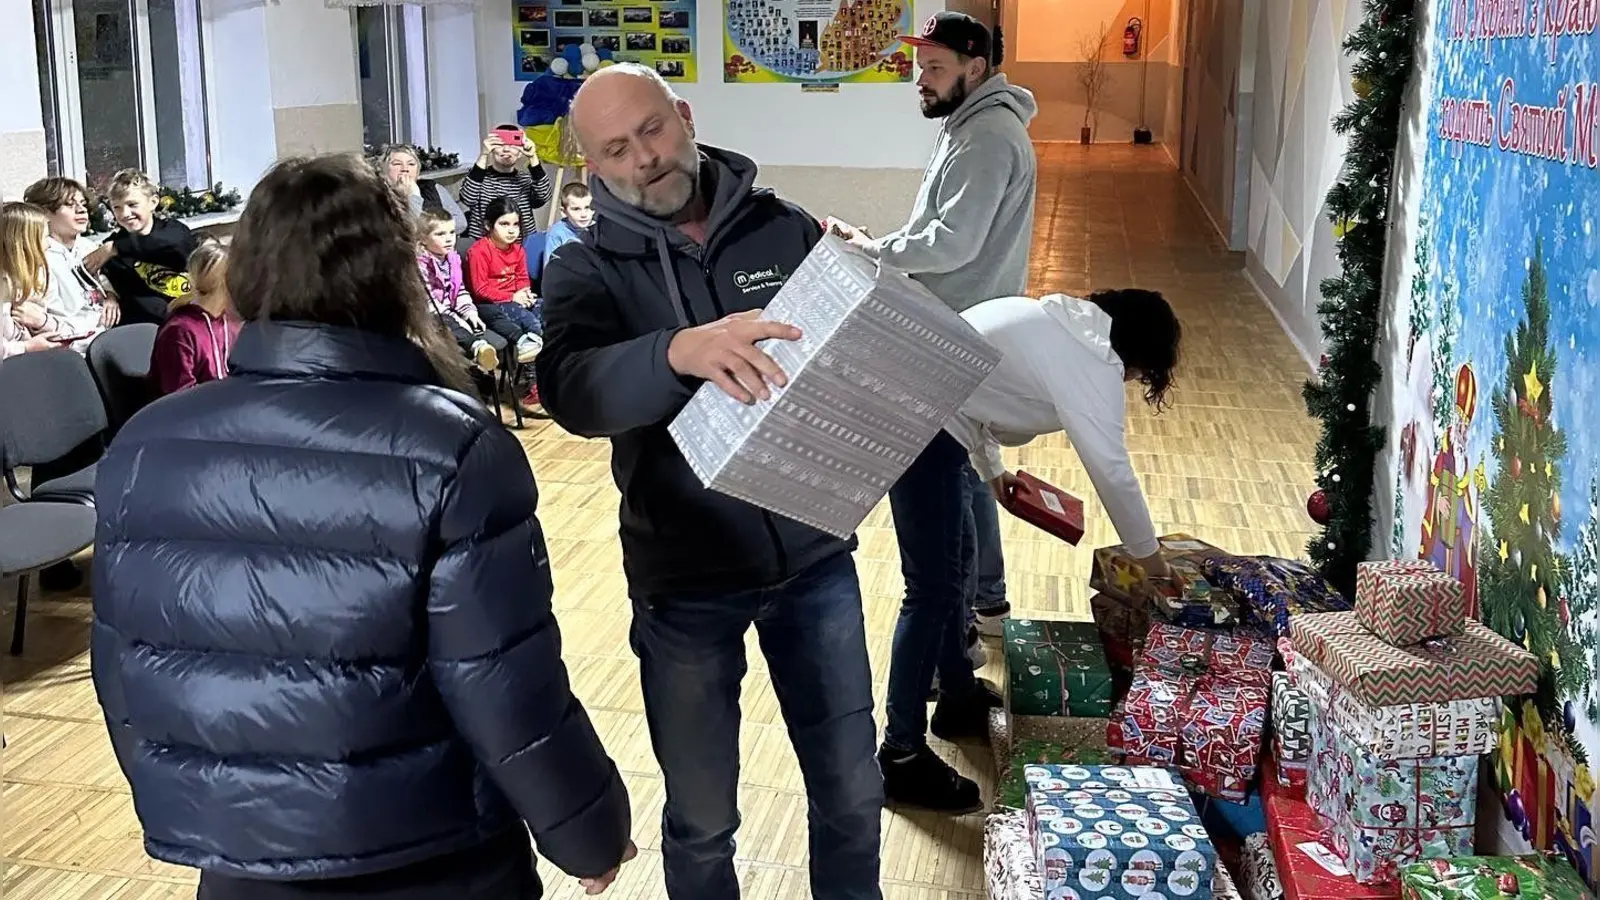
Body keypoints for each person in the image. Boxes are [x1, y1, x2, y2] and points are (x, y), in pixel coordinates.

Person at [91, 153, 635, 900]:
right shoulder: (456, 447)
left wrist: (206, 811)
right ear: (395, 270)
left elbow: (122, 670)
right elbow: (504, 682)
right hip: (435, 856)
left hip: (243, 859)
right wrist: (587, 828)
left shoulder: (144, 445)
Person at [536, 63, 883, 900]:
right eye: (614, 151)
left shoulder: (782, 227)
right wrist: (674, 353)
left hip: (815, 560)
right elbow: (572, 391)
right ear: (592, 167)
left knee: (851, 791)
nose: (642, 160)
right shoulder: (586, 269)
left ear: (684, 116)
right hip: (685, 583)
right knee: (702, 819)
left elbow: (844, 360)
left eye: (652, 130)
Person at [830, 12, 1041, 813]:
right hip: (933, 355)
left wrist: (869, 253)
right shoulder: (972, 125)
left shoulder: (987, 138)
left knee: (930, 581)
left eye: (935, 65)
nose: (920, 78)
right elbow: (937, 234)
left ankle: (902, 748)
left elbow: (950, 247)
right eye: (919, 65)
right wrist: (879, 243)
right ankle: (947, 698)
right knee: (944, 562)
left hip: (937, 363)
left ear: (979, 63)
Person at [946, 290, 1183, 586]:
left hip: (936, 414)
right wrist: (1154, 564)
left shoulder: (1054, 320)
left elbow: (983, 396)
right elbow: (1113, 475)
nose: (1132, 378)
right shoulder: (1094, 365)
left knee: (953, 568)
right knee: (940, 582)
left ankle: (966, 626)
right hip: (930, 428)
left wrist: (992, 469)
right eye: (1140, 374)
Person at [84, 169, 201, 326]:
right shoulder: (110, 247)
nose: (125, 213)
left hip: (188, 319)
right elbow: (102, 275)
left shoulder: (174, 231)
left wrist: (117, 247)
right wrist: (109, 294)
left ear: (153, 202)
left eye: (132, 204)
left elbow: (173, 243)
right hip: (143, 327)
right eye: (117, 207)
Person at [23, 177, 121, 335]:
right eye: (69, 204)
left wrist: (110, 295)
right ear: (44, 212)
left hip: (109, 332)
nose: (81, 210)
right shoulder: (40, 258)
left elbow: (105, 279)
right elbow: (47, 318)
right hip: (77, 341)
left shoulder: (88, 246)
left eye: (83, 204)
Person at [417, 207, 504, 375]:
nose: (449, 239)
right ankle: (476, 349)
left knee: (486, 314)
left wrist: (470, 313)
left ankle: (475, 369)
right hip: (429, 315)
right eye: (440, 234)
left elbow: (459, 291)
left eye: (451, 233)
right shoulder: (421, 264)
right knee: (448, 327)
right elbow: (429, 304)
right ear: (423, 238)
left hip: (449, 311)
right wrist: (458, 319)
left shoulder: (452, 258)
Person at [149, 239, 242, 396]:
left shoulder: (231, 321)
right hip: (192, 416)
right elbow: (180, 398)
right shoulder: (179, 331)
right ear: (226, 285)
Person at [460, 126, 553, 242]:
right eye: (500, 144)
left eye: (513, 144)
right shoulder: (478, 177)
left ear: (520, 152)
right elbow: (467, 198)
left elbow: (544, 196)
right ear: (492, 148)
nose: (506, 149)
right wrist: (484, 155)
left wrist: (533, 157)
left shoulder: (525, 179)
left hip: (521, 248)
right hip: (485, 250)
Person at [1, 201, 68, 358]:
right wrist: (26, 347)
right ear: (23, 244)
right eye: (44, 237)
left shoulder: (31, 281)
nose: (48, 245)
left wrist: (42, 322)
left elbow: (65, 331)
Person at [380, 144, 468, 235]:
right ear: (385, 171)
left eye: (411, 164)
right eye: (397, 164)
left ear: (417, 171)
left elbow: (461, 224)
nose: (405, 169)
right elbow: (407, 231)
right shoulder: (376, 196)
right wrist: (413, 197)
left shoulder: (432, 188)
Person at [543, 182, 594, 267]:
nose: (584, 214)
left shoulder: (598, 230)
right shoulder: (556, 233)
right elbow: (549, 269)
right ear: (564, 212)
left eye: (587, 207)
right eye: (576, 209)